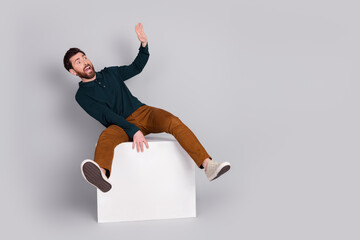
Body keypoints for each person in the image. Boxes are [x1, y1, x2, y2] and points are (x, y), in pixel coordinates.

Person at [63, 22, 231, 192]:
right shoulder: (82, 96)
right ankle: (101, 173)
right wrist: (133, 130)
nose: (85, 61)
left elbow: (136, 68)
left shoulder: (110, 73)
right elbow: (106, 115)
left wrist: (144, 45)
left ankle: (208, 165)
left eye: (84, 57)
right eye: (78, 61)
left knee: (172, 121)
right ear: (73, 71)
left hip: (142, 112)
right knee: (106, 136)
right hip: (119, 125)